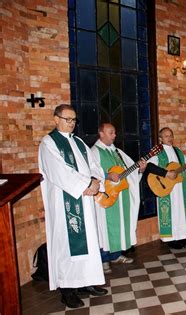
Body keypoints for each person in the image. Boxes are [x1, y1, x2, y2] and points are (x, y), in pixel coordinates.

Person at [38, 104, 108, 309]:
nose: (71, 123)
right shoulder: (48, 143)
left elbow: (94, 164)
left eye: (74, 120)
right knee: (67, 246)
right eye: (67, 119)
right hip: (64, 202)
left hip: (85, 201)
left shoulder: (78, 142)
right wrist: (86, 185)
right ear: (55, 119)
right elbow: (58, 172)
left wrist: (96, 181)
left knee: (89, 243)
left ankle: (86, 282)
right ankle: (68, 290)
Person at [91, 123, 149, 273]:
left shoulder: (117, 152)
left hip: (121, 197)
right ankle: (104, 259)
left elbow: (128, 171)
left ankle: (116, 255)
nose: (114, 135)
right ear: (101, 134)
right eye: (111, 133)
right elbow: (90, 172)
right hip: (106, 197)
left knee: (120, 226)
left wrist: (139, 169)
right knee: (105, 228)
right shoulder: (94, 152)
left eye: (115, 132)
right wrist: (107, 175)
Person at [149, 127, 186, 249]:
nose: (170, 138)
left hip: (179, 187)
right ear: (160, 138)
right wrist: (166, 173)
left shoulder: (178, 151)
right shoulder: (158, 151)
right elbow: (150, 166)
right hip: (165, 187)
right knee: (171, 212)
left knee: (180, 212)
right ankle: (171, 239)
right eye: (166, 136)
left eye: (171, 135)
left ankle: (182, 236)